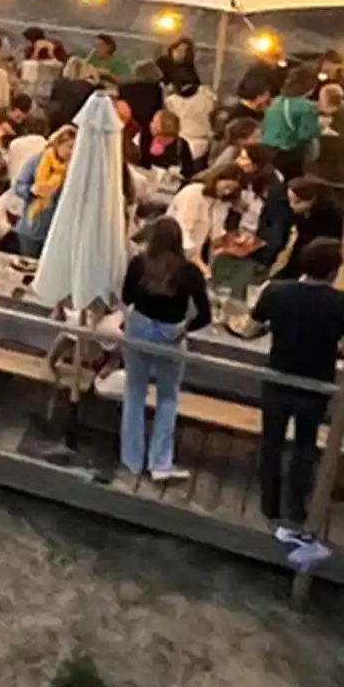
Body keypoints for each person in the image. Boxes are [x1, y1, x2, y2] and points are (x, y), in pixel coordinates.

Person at [252, 237, 344, 524]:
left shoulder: (275, 292)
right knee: (305, 445)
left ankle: (268, 504)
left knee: (271, 442)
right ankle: (296, 507)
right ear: (334, 271)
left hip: (278, 376)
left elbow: (253, 325)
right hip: (316, 383)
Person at [118, 217, 212, 481]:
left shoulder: (139, 265)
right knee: (167, 397)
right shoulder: (189, 273)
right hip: (170, 334)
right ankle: (160, 462)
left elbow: (126, 298)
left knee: (134, 392)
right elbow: (205, 315)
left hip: (139, 329)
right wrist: (184, 329)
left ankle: (131, 459)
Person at [264, 177, 344, 280]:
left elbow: (331, 244)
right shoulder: (298, 210)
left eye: (296, 202)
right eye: (290, 200)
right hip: (303, 242)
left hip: (322, 252)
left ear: (310, 200)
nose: (291, 205)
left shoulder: (330, 213)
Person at [168, 167, 248, 270]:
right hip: (173, 252)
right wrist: (197, 261)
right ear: (217, 178)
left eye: (232, 190)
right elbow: (182, 229)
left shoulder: (219, 203)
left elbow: (216, 232)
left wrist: (231, 242)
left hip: (195, 254)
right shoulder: (193, 193)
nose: (227, 192)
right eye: (227, 186)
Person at [13, 124, 75, 257]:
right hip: (33, 225)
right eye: (69, 147)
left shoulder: (73, 168)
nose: (71, 152)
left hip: (56, 230)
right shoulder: (38, 160)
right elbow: (19, 185)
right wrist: (32, 191)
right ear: (58, 144)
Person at [261, 67, 322, 175]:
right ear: (311, 87)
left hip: (267, 150)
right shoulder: (307, 107)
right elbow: (305, 134)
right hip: (289, 153)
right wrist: (321, 127)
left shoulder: (275, 101)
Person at [138, 109, 195, 188]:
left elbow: (188, 173)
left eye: (155, 122)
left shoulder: (181, 145)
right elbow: (142, 164)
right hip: (150, 186)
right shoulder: (146, 140)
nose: (151, 124)